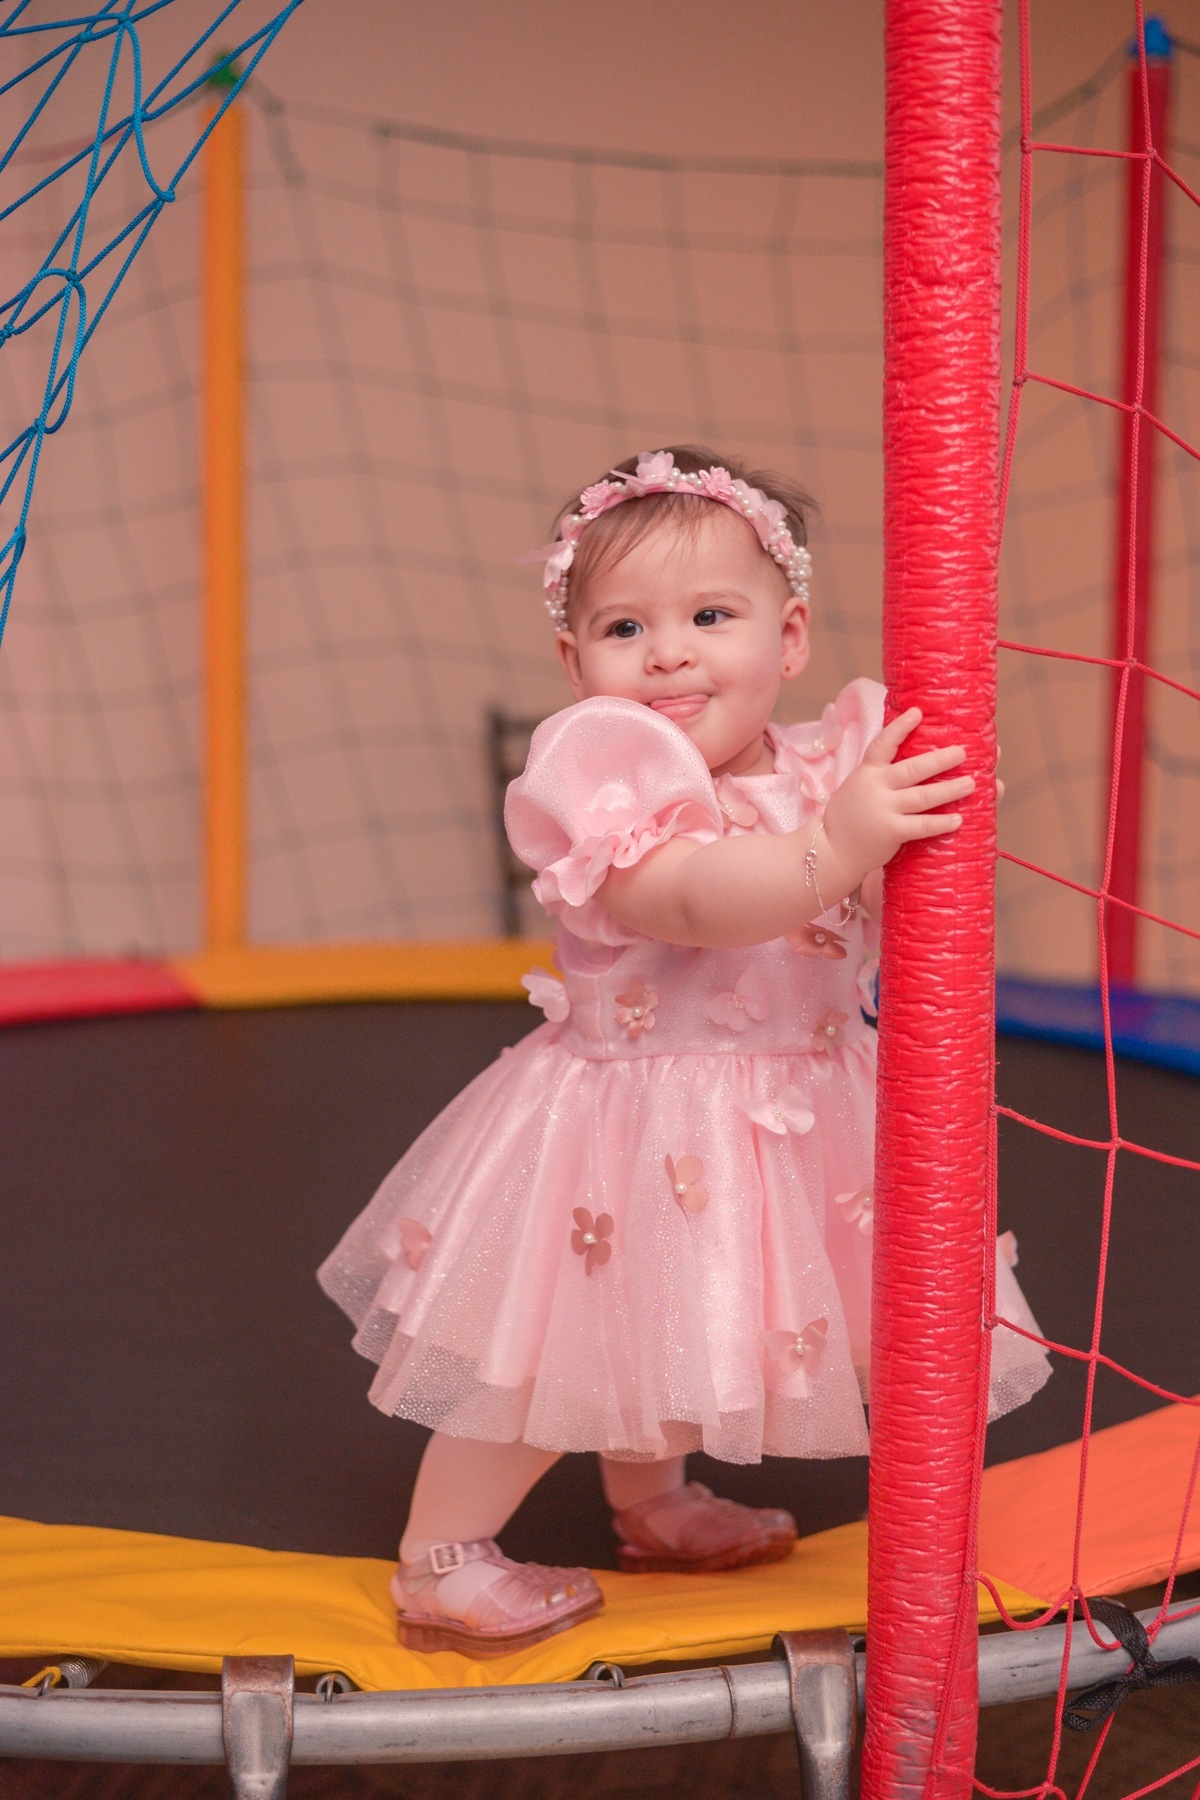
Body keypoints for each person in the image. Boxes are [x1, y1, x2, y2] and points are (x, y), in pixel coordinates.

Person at [318, 445, 1050, 1658]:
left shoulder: (829, 763)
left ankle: (650, 1504)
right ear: (576, 664)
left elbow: (885, 903)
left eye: (711, 617)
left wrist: (913, 828)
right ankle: (441, 1556)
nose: (667, 654)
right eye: (625, 628)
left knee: (681, 1324)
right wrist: (845, 841)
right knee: (557, 1349)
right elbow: (697, 901)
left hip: (803, 1108)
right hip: (629, 1120)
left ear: (789, 637)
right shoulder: (610, 785)